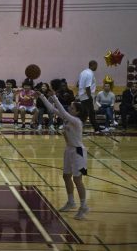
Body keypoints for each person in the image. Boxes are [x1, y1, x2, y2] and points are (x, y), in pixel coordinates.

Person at [36, 90, 89, 220]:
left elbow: (63, 111)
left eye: (71, 107)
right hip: (69, 150)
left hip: (79, 152)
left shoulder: (76, 121)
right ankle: (71, 202)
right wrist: (42, 97)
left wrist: (54, 96)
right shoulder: (67, 118)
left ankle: (84, 206)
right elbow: (51, 109)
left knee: (78, 180)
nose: (69, 108)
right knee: (66, 176)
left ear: (77, 112)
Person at [78, 60, 99, 132]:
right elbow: (87, 87)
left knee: (88, 113)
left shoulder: (83, 72)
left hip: (82, 95)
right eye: (96, 65)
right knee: (86, 114)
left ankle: (96, 127)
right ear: (92, 65)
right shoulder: (90, 74)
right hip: (87, 96)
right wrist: (90, 96)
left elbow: (79, 84)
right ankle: (77, 127)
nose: (97, 67)